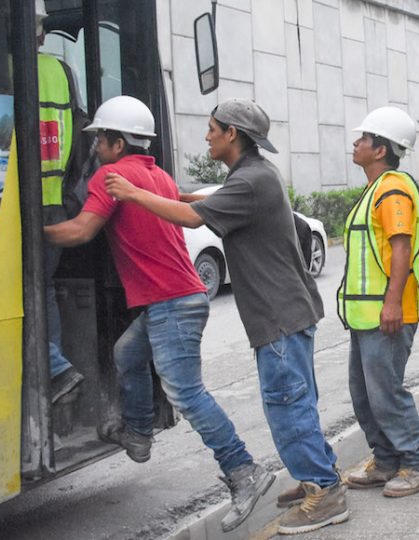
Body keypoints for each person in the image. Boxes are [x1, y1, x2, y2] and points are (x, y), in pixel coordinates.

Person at [99, 98, 345, 535]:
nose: (207, 135)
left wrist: (134, 193)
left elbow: (193, 218)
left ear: (232, 133)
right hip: (287, 311)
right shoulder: (252, 177)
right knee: (296, 402)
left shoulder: (250, 181)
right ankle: (316, 477)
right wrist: (168, 193)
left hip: (278, 316)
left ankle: (325, 493)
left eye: (212, 128)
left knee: (287, 407)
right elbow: (203, 201)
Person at [43, 96, 275, 534]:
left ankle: (244, 471)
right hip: (181, 298)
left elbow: (81, 230)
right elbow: (180, 200)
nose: (95, 149)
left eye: (100, 140)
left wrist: (25, 230)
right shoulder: (157, 175)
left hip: (171, 304)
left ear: (115, 142)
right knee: (126, 354)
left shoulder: (110, 176)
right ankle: (138, 432)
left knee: (187, 396)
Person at [337, 106, 419, 497]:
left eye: (363, 138)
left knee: (386, 393)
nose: (356, 143)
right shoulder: (375, 188)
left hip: (388, 313)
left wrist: (393, 302)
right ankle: (385, 459)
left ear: (380, 149)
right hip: (366, 315)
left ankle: (418, 463)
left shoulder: (393, 187)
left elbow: (401, 247)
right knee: (364, 395)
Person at [37, 0, 88, 403]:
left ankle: (53, 368)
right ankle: (54, 369)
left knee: (30, 290)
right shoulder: (60, 72)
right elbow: (79, 138)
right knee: (46, 289)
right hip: (55, 202)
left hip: (19, 206)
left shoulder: (8, 70)